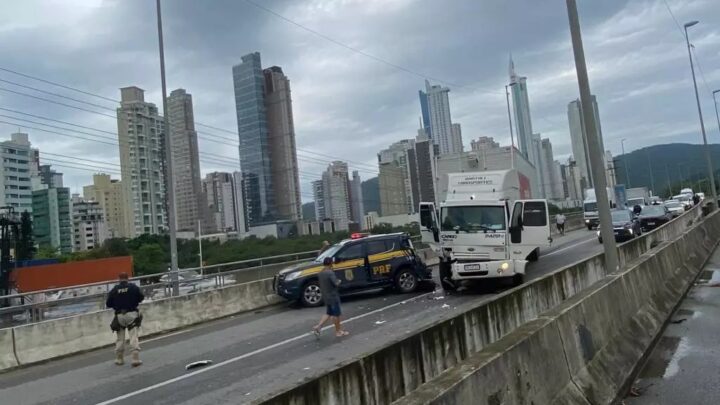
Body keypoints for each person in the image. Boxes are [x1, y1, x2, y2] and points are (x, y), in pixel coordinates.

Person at [106, 272, 145, 367]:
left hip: (120, 316)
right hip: (132, 314)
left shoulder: (115, 289)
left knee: (120, 338)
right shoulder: (133, 287)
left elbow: (108, 303)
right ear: (128, 278)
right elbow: (141, 297)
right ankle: (135, 359)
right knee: (133, 336)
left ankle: (119, 359)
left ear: (119, 278)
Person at [312, 257, 349, 338]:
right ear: (330, 263)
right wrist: (339, 281)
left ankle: (318, 327)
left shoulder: (321, 273)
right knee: (336, 315)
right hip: (333, 296)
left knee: (328, 313)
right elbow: (336, 283)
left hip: (326, 296)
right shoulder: (330, 273)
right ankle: (338, 332)